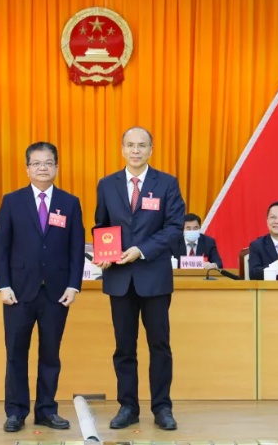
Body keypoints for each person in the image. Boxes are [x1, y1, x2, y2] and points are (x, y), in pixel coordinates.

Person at [94, 126, 185, 431]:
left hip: (154, 277)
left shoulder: (167, 183)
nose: (136, 150)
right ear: (122, 149)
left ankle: (162, 407)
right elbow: (102, 226)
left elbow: (174, 227)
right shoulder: (106, 184)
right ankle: (128, 407)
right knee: (124, 347)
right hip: (119, 278)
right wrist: (104, 254)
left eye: (142, 145)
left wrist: (141, 250)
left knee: (159, 345)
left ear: (150, 150)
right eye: (130, 145)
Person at [0, 142, 85, 433]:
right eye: (36, 163)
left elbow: (76, 248)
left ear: (56, 167)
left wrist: (74, 285)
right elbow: (2, 247)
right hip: (18, 292)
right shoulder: (12, 201)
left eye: (48, 163)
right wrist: (3, 285)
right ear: (27, 168)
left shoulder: (70, 203)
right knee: (15, 354)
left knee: (50, 355)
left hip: (56, 293)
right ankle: (15, 412)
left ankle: (46, 410)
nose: (42, 168)